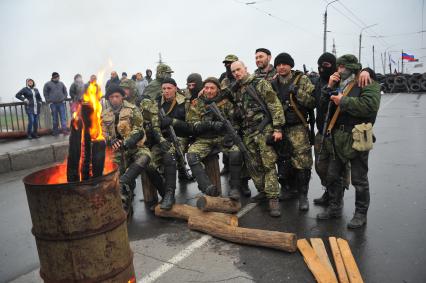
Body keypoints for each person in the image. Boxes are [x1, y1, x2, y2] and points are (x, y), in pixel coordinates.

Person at [316, 54, 381, 229]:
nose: (339, 70)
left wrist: (343, 101)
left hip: (358, 136)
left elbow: (370, 107)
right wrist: (328, 87)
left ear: (351, 67)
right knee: (332, 175)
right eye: (338, 66)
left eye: (342, 67)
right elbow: (322, 107)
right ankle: (335, 208)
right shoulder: (337, 83)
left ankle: (360, 214)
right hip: (337, 137)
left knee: (359, 180)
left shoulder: (367, 82)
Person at [229, 60, 284, 217]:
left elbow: (275, 105)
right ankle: (263, 191)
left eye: (238, 69)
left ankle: (273, 198)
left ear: (245, 69)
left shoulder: (260, 83)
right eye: (233, 72)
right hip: (248, 133)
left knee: (268, 164)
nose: (236, 73)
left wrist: (278, 128)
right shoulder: (236, 89)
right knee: (253, 165)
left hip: (263, 129)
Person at [270, 52, 315, 211]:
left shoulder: (301, 80)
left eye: (284, 64)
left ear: (291, 65)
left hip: (297, 127)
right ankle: (288, 189)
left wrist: (297, 91)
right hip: (280, 128)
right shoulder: (273, 82)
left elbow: (312, 102)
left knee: (302, 163)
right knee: (282, 160)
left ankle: (303, 196)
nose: (281, 67)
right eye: (278, 64)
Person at [187, 77, 245, 199]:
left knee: (236, 152)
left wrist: (229, 135)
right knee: (192, 154)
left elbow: (235, 123)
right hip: (204, 139)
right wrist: (209, 124)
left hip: (222, 137)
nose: (208, 91)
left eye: (212, 88)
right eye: (206, 88)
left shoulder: (226, 103)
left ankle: (234, 187)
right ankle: (206, 187)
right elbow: (192, 125)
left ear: (218, 89)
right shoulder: (196, 104)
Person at [101, 85, 151, 216]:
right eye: (111, 97)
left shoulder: (133, 109)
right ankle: (124, 208)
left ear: (122, 96)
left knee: (144, 157)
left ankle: (124, 183)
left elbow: (139, 129)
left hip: (134, 147)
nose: (114, 99)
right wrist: (110, 140)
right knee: (112, 173)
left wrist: (126, 142)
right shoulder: (105, 114)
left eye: (117, 96)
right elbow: (102, 133)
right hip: (115, 151)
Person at [156, 78, 194, 182]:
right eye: (164, 88)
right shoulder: (157, 103)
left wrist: (173, 121)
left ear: (175, 88)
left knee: (171, 154)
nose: (166, 91)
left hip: (181, 136)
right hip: (163, 137)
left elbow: (190, 127)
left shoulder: (185, 103)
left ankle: (178, 175)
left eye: (169, 88)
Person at [218, 54, 239, 175]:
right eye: (226, 63)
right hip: (227, 112)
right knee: (226, 140)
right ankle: (226, 165)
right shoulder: (224, 78)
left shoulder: (241, 75)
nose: (227, 65)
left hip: (241, 110)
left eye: (230, 63)